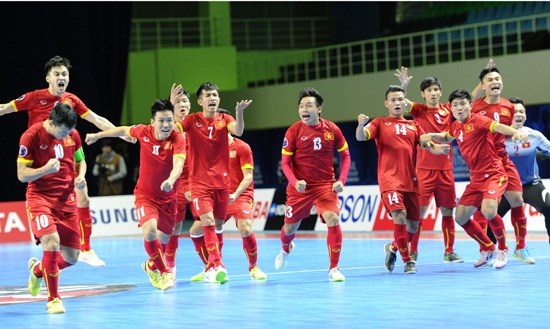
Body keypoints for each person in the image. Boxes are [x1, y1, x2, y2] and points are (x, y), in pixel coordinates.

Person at [0, 55, 127, 266]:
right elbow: (4, 108)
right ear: (48, 77)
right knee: (54, 239)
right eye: (57, 74)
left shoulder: (72, 100)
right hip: (42, 162)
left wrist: (120, 133)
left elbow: (96, 119)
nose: (62, 78)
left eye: (65, 74)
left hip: (66, 157)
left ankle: (86, 249)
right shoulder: (34, 97)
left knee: (83, 195)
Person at [421, 89, 528, 270]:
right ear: (452, 110)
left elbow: (496, 126)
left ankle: (503, 249)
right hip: (476, 179)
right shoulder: (456, 126)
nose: (459, 108)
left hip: (494, 174)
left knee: (488, 211)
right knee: (460, 217)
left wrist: (514, 133)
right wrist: (430, 135)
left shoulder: (478, 120)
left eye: (463, 104)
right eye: (455, 105)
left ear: (470, 106)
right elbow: (446, 136)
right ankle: (488, 247)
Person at [85, 99, 186, 291]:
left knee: (163, 241)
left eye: (169, 121)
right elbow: (122, 130)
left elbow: (179, 164)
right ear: (153, 122)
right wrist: (98, 135)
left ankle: (151, 266)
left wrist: (171, 181)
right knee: (149, 231)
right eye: (161, 121)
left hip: (168, 198)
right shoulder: (143, 131)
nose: (166, 125)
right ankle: (164, 272)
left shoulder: (178, 138)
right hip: (145, 196)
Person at [356, 85, 449, 274]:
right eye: (393, 100)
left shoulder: (413, 125)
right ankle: (408, 262)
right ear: (386, 103)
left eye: (400, 100)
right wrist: (360, 125)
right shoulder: (380, 123)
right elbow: (361, 137)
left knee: (413, 226)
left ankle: (392, 248)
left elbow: (425, 142)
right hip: (389, 180)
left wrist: (435, 149)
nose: (397, 103)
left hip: (411, 181)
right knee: (399, 215)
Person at [275, 87, 351, 282]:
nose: (304, 109)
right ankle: (285, 248)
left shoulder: (332, 129)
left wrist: (341, 180)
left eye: (309, 105)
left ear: (319, 109)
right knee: (289, 230)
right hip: (300, 188)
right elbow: (285, 163)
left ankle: (334, 268)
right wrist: (295, 182)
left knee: (333, 219)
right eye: (301, 106)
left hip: (325, 185)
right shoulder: (293, 131)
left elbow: (345, 155)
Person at [179, 82, 252, 284]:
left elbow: (238, 130)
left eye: (215, 95)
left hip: (222, 183)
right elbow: (173, 128)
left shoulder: (224, 119)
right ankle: (218, 264)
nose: (212, 98)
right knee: (208, 223)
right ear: (200, 101)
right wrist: (173, 104)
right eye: (208, 95)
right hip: (199, 184)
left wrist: (239, 112)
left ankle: (212, 267)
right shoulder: (192, 120)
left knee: (218, 225)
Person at [188, 108, 267, 282]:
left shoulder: (242, 147)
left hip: (240, 195)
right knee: (195, 231)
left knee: (245, 228)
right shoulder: (208, 150)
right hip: (217, 194)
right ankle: (212, 266)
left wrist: (235, 194)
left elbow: (248, 177)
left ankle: (254, 267)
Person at [21, 103, 84, 314]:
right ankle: (53, 299)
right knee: (52, 243)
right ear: (52, 122)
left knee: (72, 257)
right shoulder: (31, 136)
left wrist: (81, 175)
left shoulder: (73, 134)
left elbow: (80, 160)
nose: (66, 134)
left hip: (67, 201)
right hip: (40, 199)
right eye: (63, 131)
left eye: (69, 131)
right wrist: (44, 169)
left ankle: (38, 271)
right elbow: (21, 174)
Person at [394, 69, 462, 263]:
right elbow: (400, 102)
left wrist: (483, 84)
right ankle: (413, 251)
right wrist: (404, 86)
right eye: (428, 90)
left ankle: (449, 251)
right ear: (423, 94)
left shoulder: (449, 109)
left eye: (435, 89)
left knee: (448, 211)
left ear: (440, 92)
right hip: (423, 170)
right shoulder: (418, 109)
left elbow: (467, 101)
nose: (433, 93)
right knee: (418, 213)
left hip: (446, 170)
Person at [471, 66, 532, 264]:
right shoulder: (475, 106)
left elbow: (513, 130)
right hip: (484, 164)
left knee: (517, 200)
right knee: (484, 208)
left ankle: (521, 248)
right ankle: (486, 249)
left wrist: (517, 134)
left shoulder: (509, 106)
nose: (495, 82)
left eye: (497, 78)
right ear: (483, 85)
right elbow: (461, 109)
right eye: (489, 80)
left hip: (503, 159)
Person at [498, 97, 550, 251]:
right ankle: (492, 250)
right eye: (515, 111)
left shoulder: (534, 135)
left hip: (531, 185)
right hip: (506, 187)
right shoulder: (498, 137)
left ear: (526, 116)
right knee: (490, 214)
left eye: (521, 111)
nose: (518, 114)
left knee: (549, 206)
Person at [164, 83, 193, 277]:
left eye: (185, 101)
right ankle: (170, 262)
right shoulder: (169, 127)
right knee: (176, 226)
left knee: (210, 221)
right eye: (179, 101)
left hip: (199, 179)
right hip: (177, 181)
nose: (182, 104)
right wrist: (170, 102)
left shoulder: (197, 123)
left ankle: (214, 264)